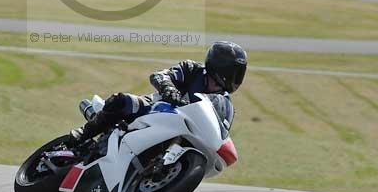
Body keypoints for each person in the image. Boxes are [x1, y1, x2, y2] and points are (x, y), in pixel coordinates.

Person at [69, 41, 247, 145]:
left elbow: (220, 131)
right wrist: (169, 89)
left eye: (239, 73)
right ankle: (82, 135)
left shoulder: (223, 102)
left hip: (183, 131)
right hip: (154, 109)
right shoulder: (192, 70)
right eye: (235, 72)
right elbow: (160, 76)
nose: (236, 77)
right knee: (121, 101)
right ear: (221, 67)